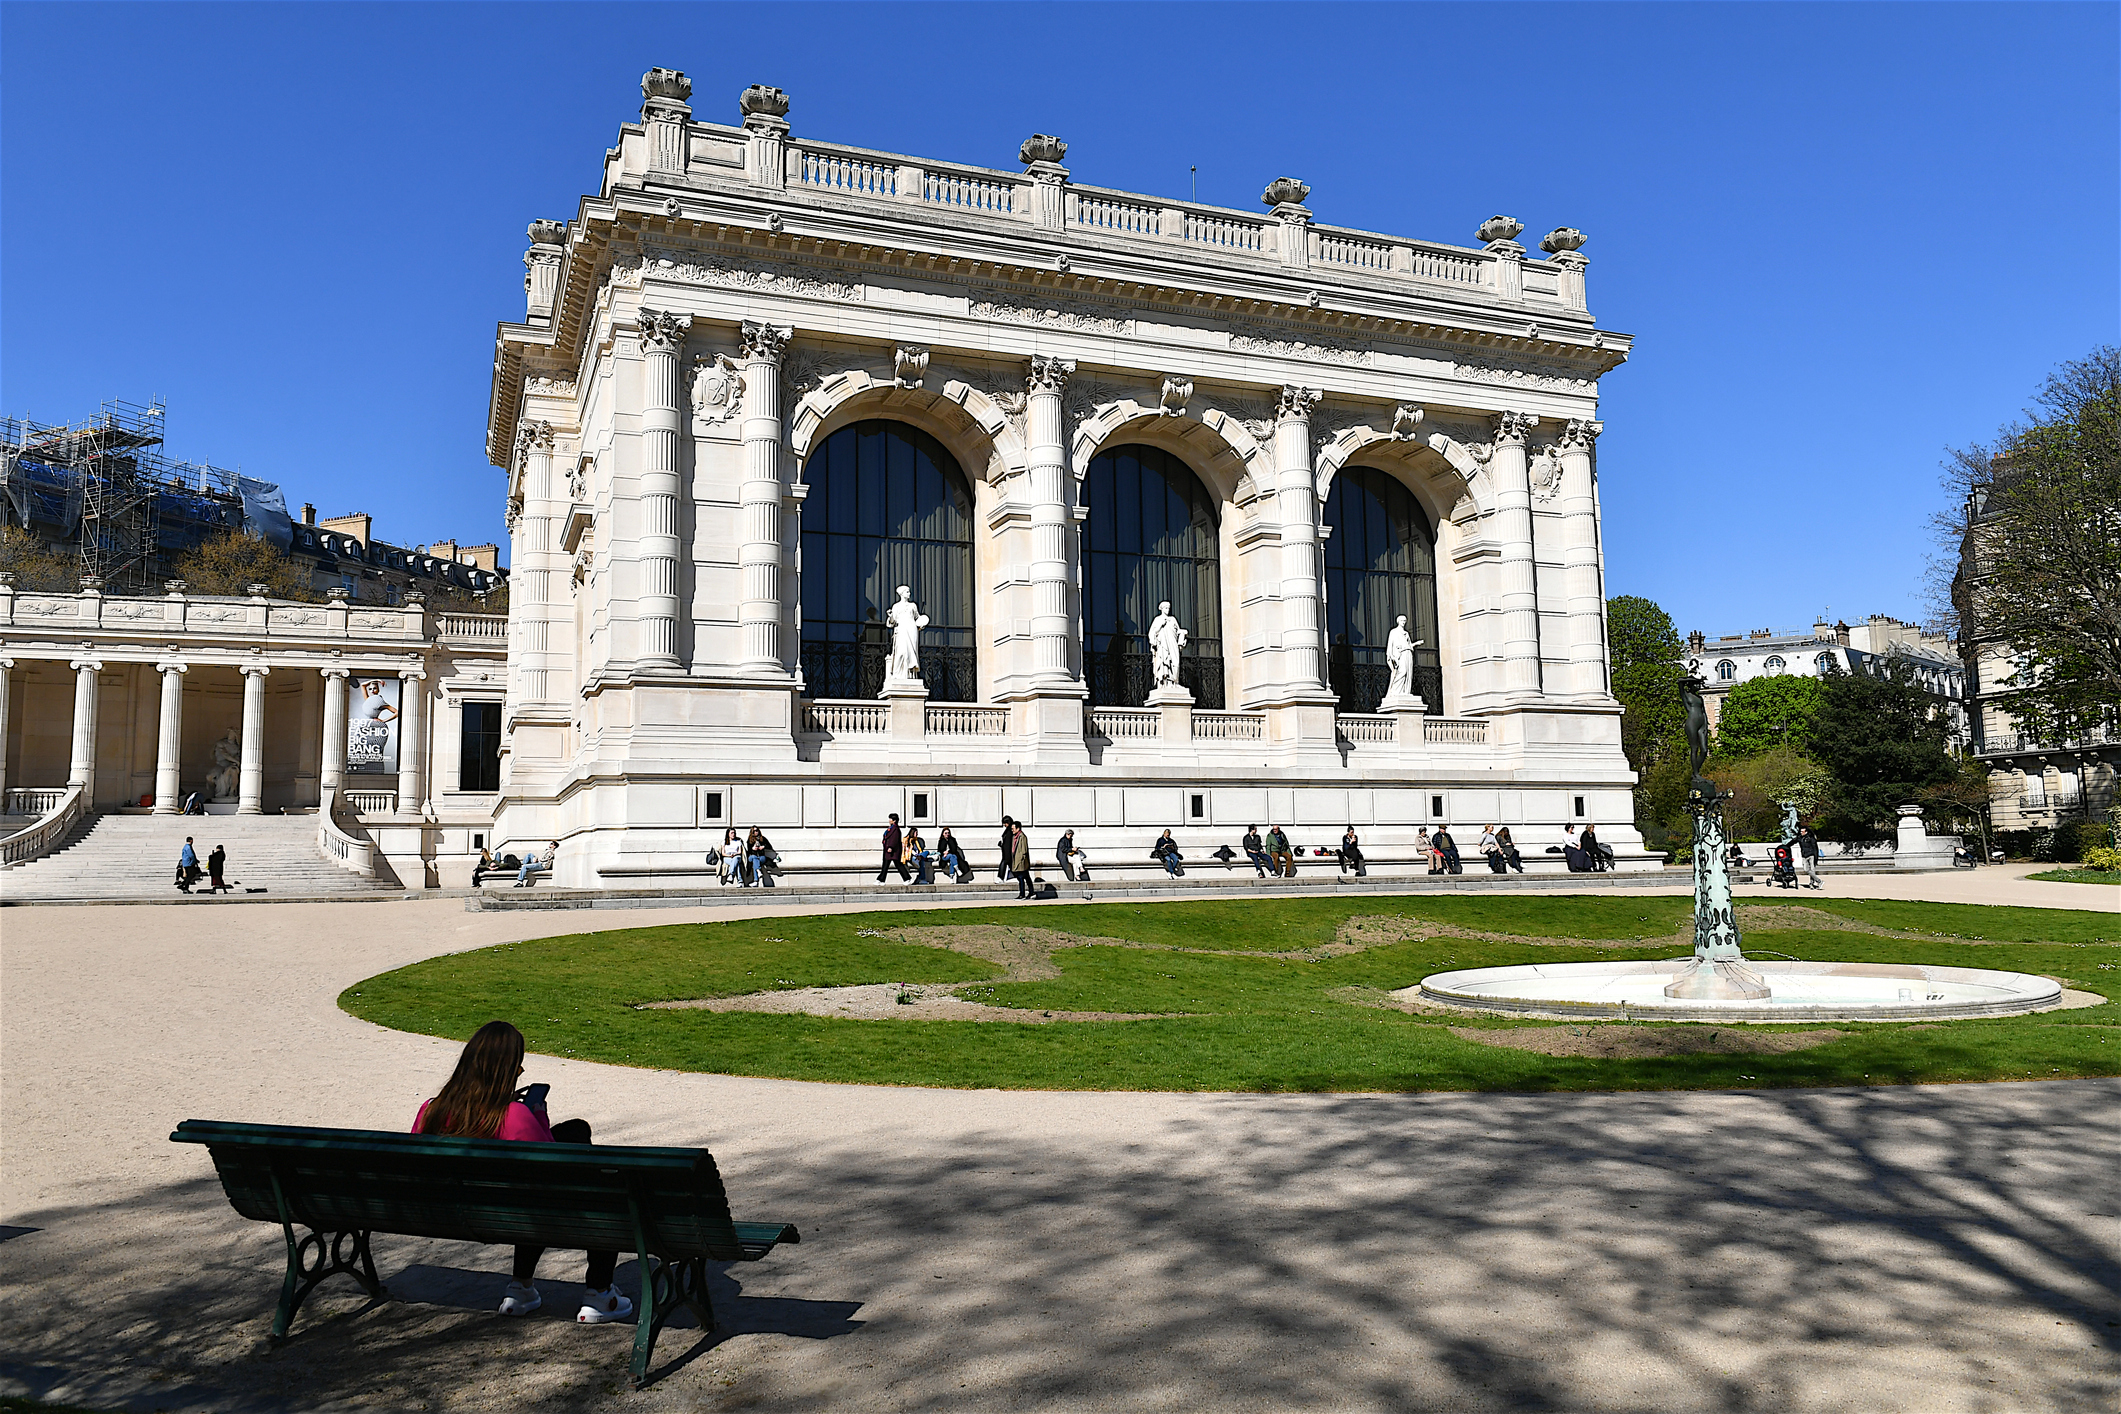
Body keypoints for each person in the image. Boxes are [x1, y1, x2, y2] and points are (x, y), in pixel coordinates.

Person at [412, 1021, 633, 1325]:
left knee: (574, 1132)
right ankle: (599, 1292)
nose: (521, 1072)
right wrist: (537, 1114)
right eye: (517, 1064)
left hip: (450, 1211)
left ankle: (521, 1288)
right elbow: (556, 1169)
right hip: (516, 1212)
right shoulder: (514, 1117)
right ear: (504, 1070)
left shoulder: (430, 1110)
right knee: (602, 1189)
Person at [878, 813, 910, 884]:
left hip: (893, 851)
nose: (889, 820)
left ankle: (907, 878)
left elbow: (894, 839)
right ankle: (881, 880)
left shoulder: (895, 829)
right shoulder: (891, 828)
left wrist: (891, 847)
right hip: (888, 850)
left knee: (898, 865)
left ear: (894, 820)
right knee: (886, 865)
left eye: (890, 819)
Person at [1009, 821, 1034, 899]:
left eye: (1013, 828)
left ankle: (1022, 894)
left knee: (1021, 878)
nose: (1012, 830)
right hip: (1017, 860)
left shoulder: (1022, 837)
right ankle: (1031, 892)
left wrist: (1020, 860)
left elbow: (1024, 850)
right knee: (1026, 877)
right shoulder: (1015, 837)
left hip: (1021, 861)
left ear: (1018, 828)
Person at [1797, 824, 1823, 890]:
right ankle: (1819, 881)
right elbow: (1793, 841)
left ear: (1806, 832)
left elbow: (1815, 848)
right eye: (1800, 831)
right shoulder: (1800, 838)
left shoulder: (1811, 838)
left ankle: (1812, 884)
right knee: (1806, 870)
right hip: (1804, 855)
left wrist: (1816, 857)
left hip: (1811, 855)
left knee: (1812, 870)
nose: (1801, 833)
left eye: (1802, 832)